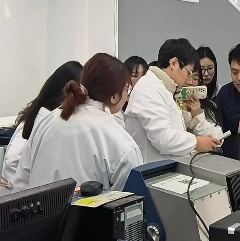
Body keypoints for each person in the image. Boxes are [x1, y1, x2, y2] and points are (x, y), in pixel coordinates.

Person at [12, 53, 142, 192]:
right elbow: (132, 200)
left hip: (39, 206)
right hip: (87, 208)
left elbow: (21, 184)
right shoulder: (121, 142)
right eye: (127, 89)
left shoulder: (47, 121)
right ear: (114, 96)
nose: (127, 95)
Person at [125, 38, 220, 162]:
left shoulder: (164, 88)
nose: (189, 79)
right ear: (174, 63)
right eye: (189, 73)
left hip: (163, 166)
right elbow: (163, 138)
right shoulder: (149, 88)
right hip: (150, 168)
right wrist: (196, 143)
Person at [0, 61, 83, 193]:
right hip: (18, 196)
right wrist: (10, 183)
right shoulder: (43, 120)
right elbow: (13, 161)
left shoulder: (44, 116)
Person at [180, 60, 224, 140]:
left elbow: (218, 138)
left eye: (195, 78)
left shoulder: (208, 106)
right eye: (187, 76)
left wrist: (197, 117)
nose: (190, 82)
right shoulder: (171, 102)